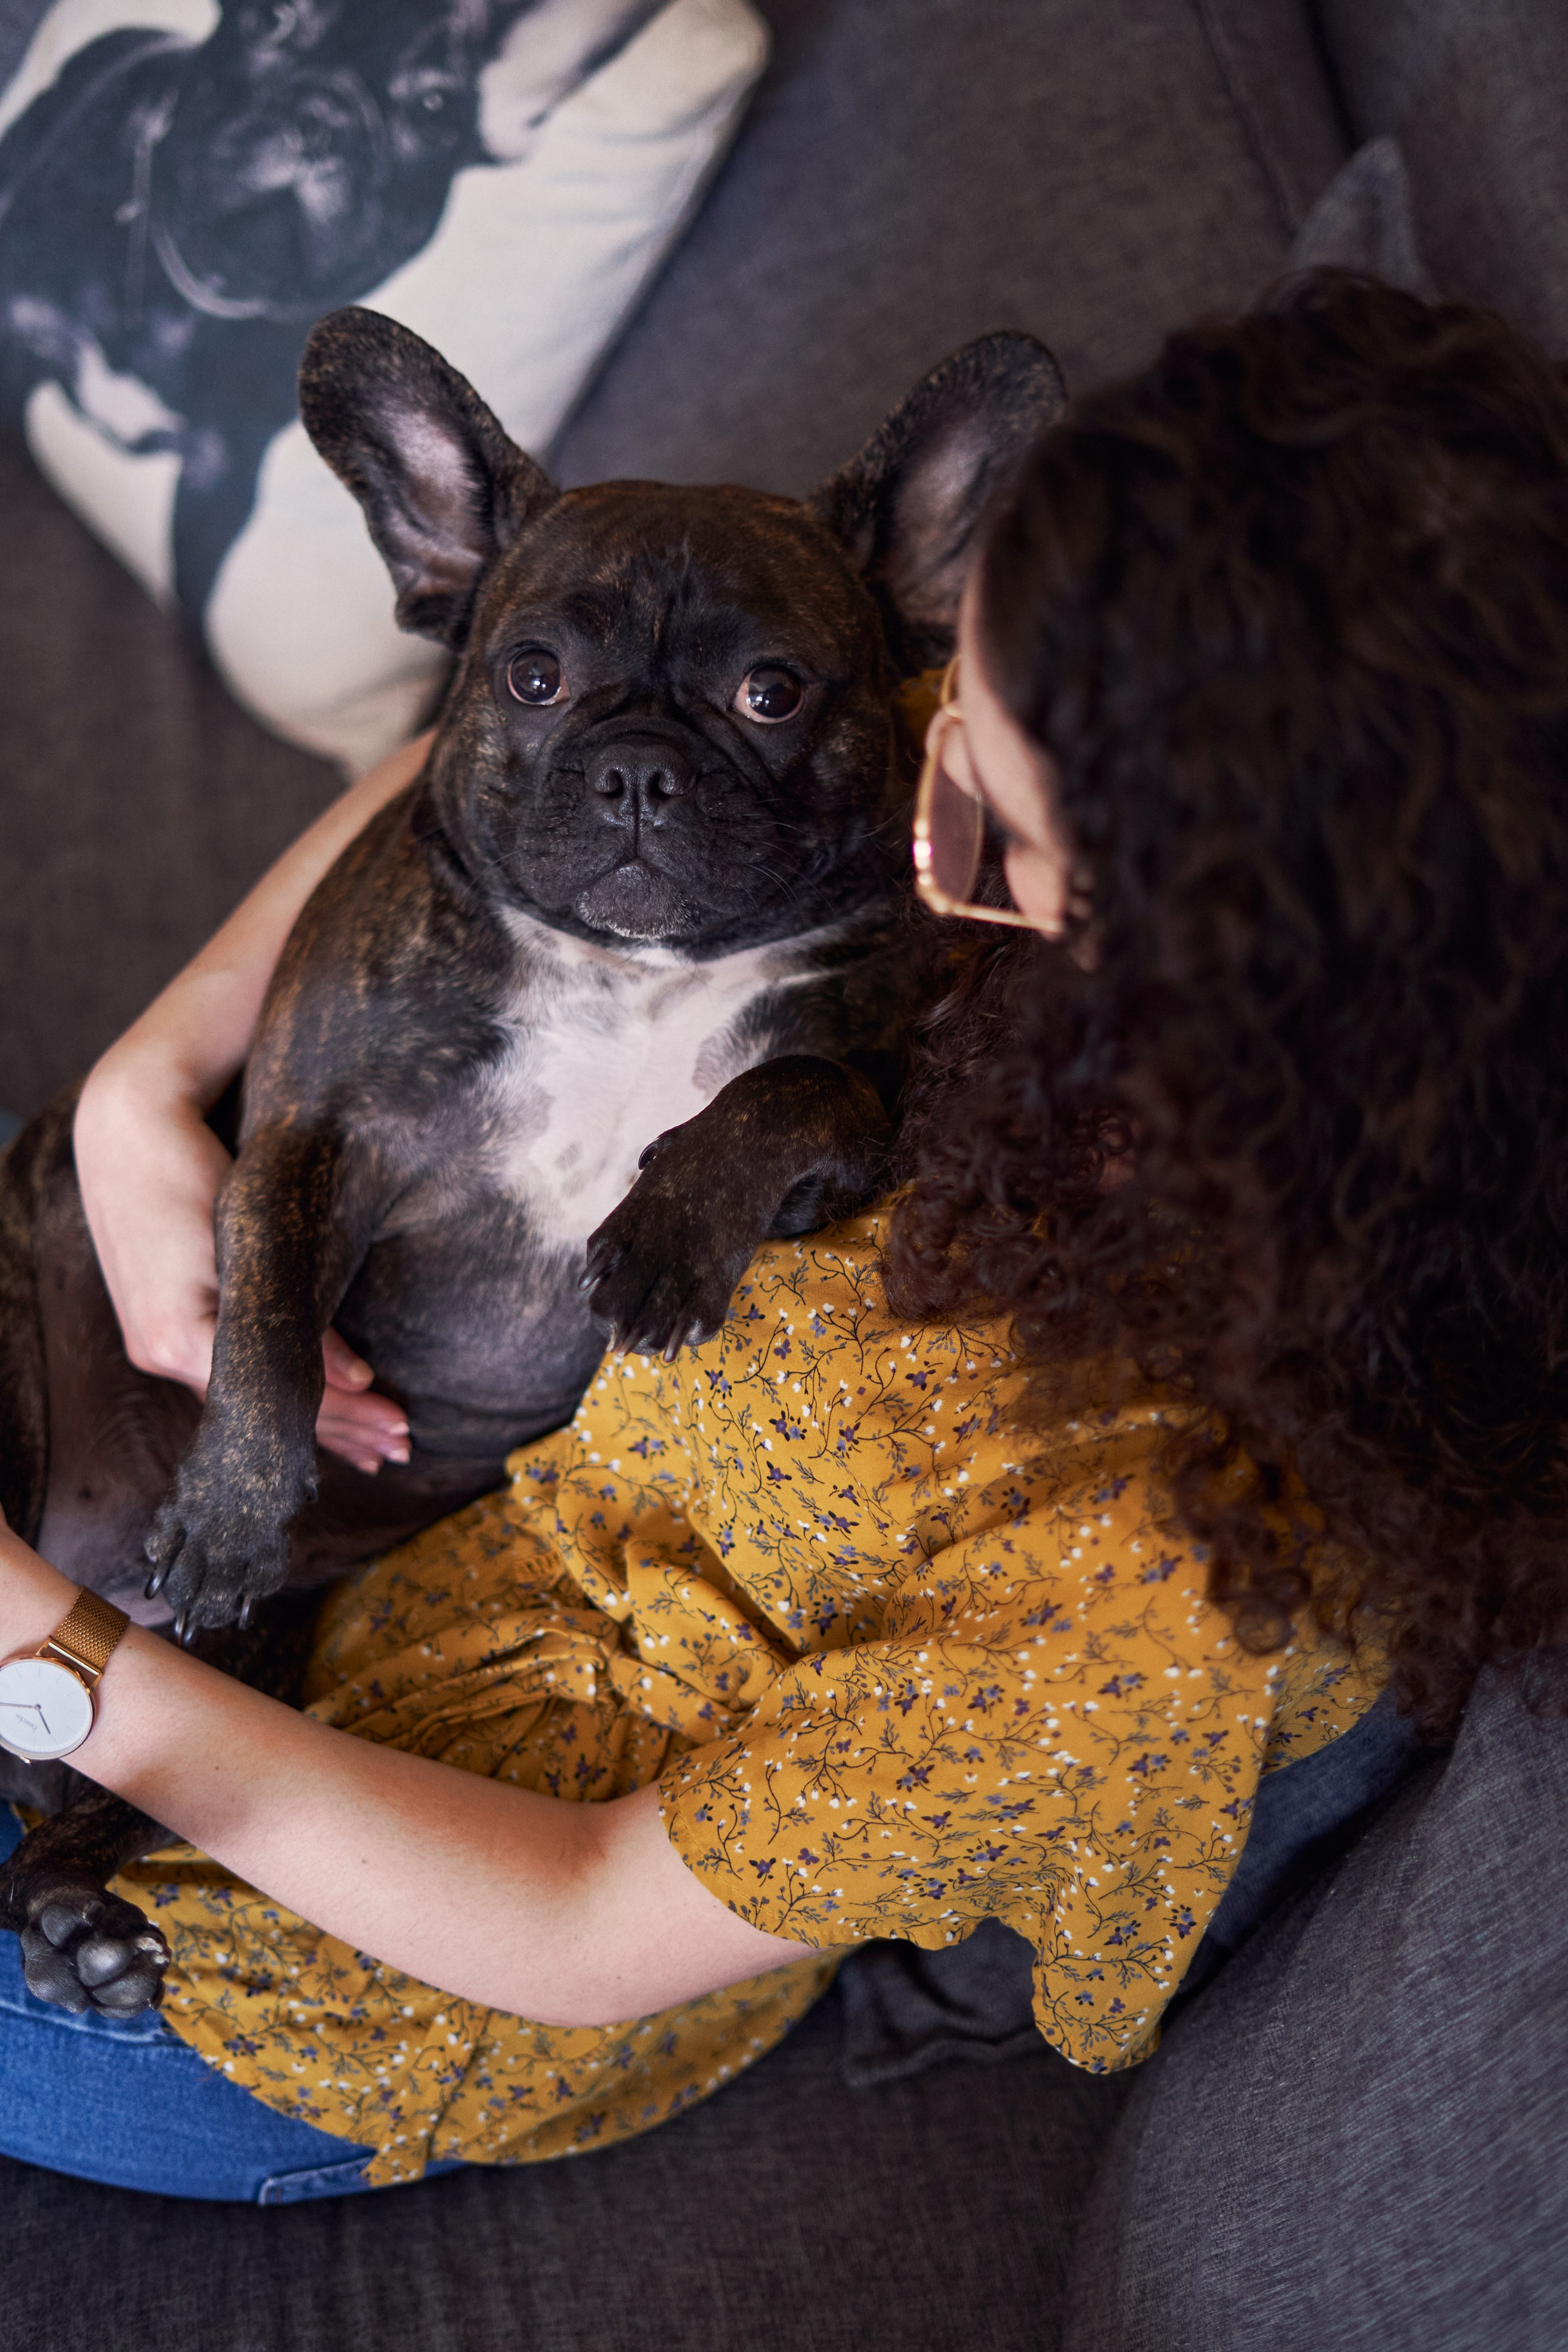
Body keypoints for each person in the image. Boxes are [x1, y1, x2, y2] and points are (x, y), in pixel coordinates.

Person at [4, 272, 1567, 2201]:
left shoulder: (1138, 1572)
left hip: (299, 1961)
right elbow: (496, 749)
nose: (926, 812)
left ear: (1222, 954)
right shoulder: (1016, 832)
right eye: (933, 721)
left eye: (981, 814)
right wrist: (144, 1085)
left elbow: (578, 1927)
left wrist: (56, 1659)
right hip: (277, 1564)